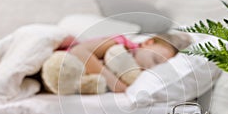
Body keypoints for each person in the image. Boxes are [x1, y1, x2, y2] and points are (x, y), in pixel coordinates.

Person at [58, 33, 192, 92]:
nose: (151, 68)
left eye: (158, 68)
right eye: (155, 60)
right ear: (148, 42)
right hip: (62, 61)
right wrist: (115, 84)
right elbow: (78, 51)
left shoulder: (135, 75)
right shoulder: (121, 44)